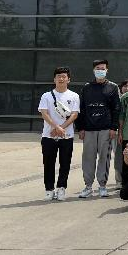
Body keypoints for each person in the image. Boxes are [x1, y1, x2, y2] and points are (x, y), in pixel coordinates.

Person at [76, 59, 121, 199]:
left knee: (104, 158)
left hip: (106, 129)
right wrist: (80, 128)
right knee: (88, 158)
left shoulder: (113, 87)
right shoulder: (87, 87)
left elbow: (116, 108)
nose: (100, 71)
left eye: (103, 68)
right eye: (97, 68)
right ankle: (88, 186)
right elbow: (81, 108)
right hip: (89, 129)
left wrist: (113, 127)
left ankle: (102, 186)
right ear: (93, 70)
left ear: (107, 70)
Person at [38, 66, 79, 201]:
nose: (61, 79)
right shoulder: (46, 96)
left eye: (64, 76)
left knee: (65, 163)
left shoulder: (74, 96)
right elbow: (44, 113)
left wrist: (61, 128)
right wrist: (56, 127)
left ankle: (61, 188)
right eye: (58, 76)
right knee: (48, 163)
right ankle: (49, 189)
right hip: (48, 135)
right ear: (54, 79)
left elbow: (74, 114)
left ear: (68, 79)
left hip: (67, 136)